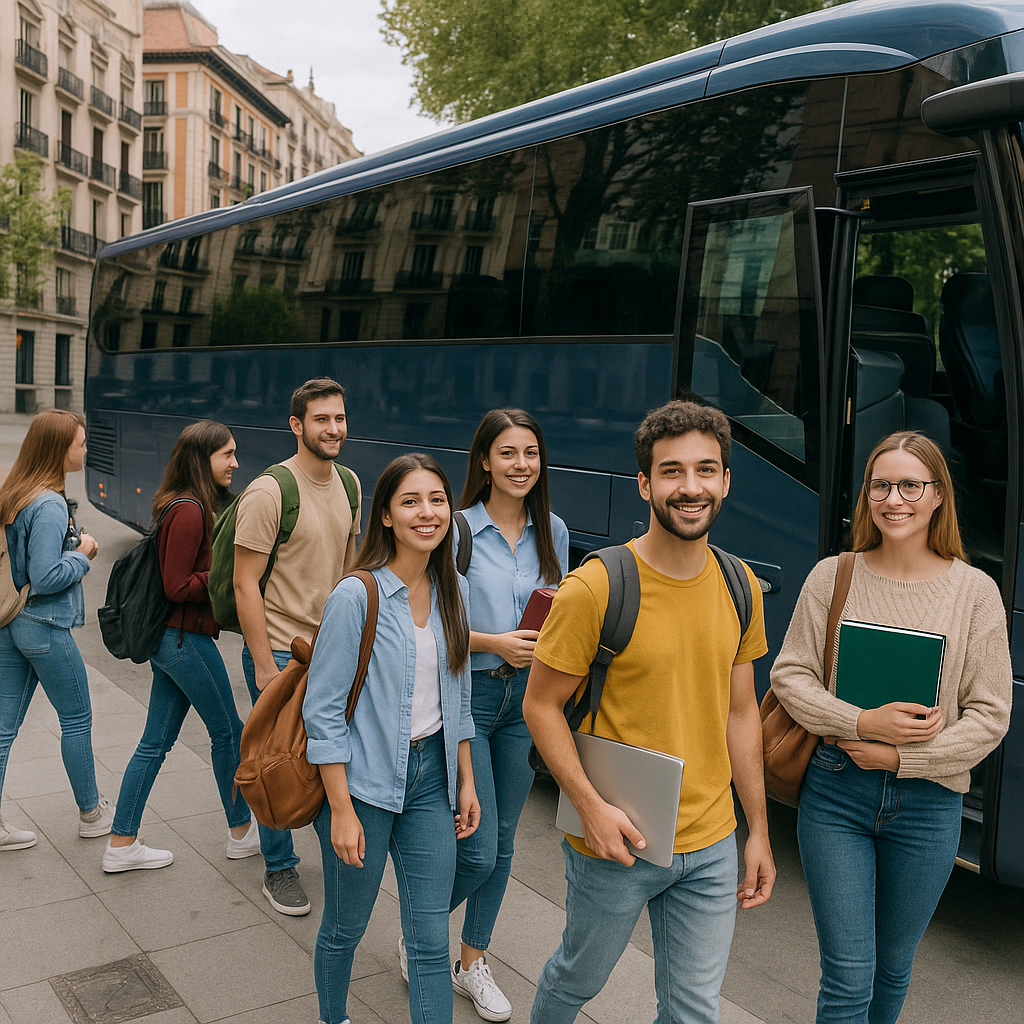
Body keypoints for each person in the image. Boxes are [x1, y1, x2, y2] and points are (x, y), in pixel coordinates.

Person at [523, 400, 775, 1024]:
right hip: (619, 837)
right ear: (644, 484)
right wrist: (590, 808)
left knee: (693, 1010)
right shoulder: (597, 586)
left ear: (724, 482)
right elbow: (541, 704)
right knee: (577, 979)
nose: (690, 487)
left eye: (705, 470)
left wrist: (759, 832)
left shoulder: (739, 583)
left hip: (713, 842)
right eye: (672, 472)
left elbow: (741, 714)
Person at [770, 431, 1011, 1024]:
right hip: (835, 794)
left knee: (893, 968)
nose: (894, 498)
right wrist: (860, 721)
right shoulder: (833, 575)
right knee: (849, 976)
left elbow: (990, 714)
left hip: (931, 807)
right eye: (882, 485)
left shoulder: (975, 592)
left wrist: (901, 758)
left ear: (937, 497)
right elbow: (790, 675)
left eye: (911, 485)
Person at [304, 452, 479, 1024]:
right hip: (363, 783)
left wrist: (466, 781)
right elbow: (323, 714)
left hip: (433, 780)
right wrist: (341, 810)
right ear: (384, 515)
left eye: (437, 500)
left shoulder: (454, 587)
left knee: (430, 940)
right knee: (344, 929)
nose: (427, 513)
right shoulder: (357, 596)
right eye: (410, 501)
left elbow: (458, 698)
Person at [444, 408, 568, 1022]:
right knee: (479, 849)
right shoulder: (456, 530)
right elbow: (432, 626)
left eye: (531, 454)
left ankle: (471, 962)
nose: (521, 465)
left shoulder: (556, 531)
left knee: (505, 841)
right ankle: (422, 928)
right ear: (485, 462)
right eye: (508, 453)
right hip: (471, 697)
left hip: (528, 703)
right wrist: (495, 642)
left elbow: (561, 610)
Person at [101, 421, 260, 872]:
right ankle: (241, 832)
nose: (234, 462)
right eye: (226, 455)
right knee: (228, 731)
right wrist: (228, 577)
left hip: (170, 639)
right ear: (201, 460)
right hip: (182, 638)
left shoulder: (182, 503)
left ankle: (121, 842)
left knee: (156, 741)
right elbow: (176, 585)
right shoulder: (190, 511)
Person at [234, 377, 361, 916]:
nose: (333, 429)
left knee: (329, 758)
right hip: (282, 653)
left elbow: (352, 567)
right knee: (276, 761)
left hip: (331, 649)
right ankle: (279, 866)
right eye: (321, 420)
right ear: (296, 426)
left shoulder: (351, 483)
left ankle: (334, 850)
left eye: (339, 418)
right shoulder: (269, 492)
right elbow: (245, 584)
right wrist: (264, 664)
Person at [0, 409, 112, 850]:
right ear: (58, 449)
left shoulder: (18, 493)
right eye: (81, 443)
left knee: (3, 729)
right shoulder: (47, 502)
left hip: (11, 619)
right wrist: (83, 553)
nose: (85, 449)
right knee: (77, 717)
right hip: (43, 624)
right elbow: (45, 577)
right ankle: (91, 814)